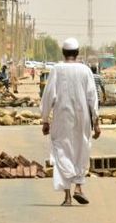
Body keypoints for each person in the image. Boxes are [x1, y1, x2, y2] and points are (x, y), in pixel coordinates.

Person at [41, 38, 100, 206]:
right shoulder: (85, 70)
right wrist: (96, 121)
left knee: (62, 152)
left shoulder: (56, 70)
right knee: (82, 149)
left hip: (62, 118)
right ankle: (79, 188)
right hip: (82, 118)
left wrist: (45, 120)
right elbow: (92, 97)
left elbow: (48, 95)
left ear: (63, 53)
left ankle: (67, 196)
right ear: (77, 52)